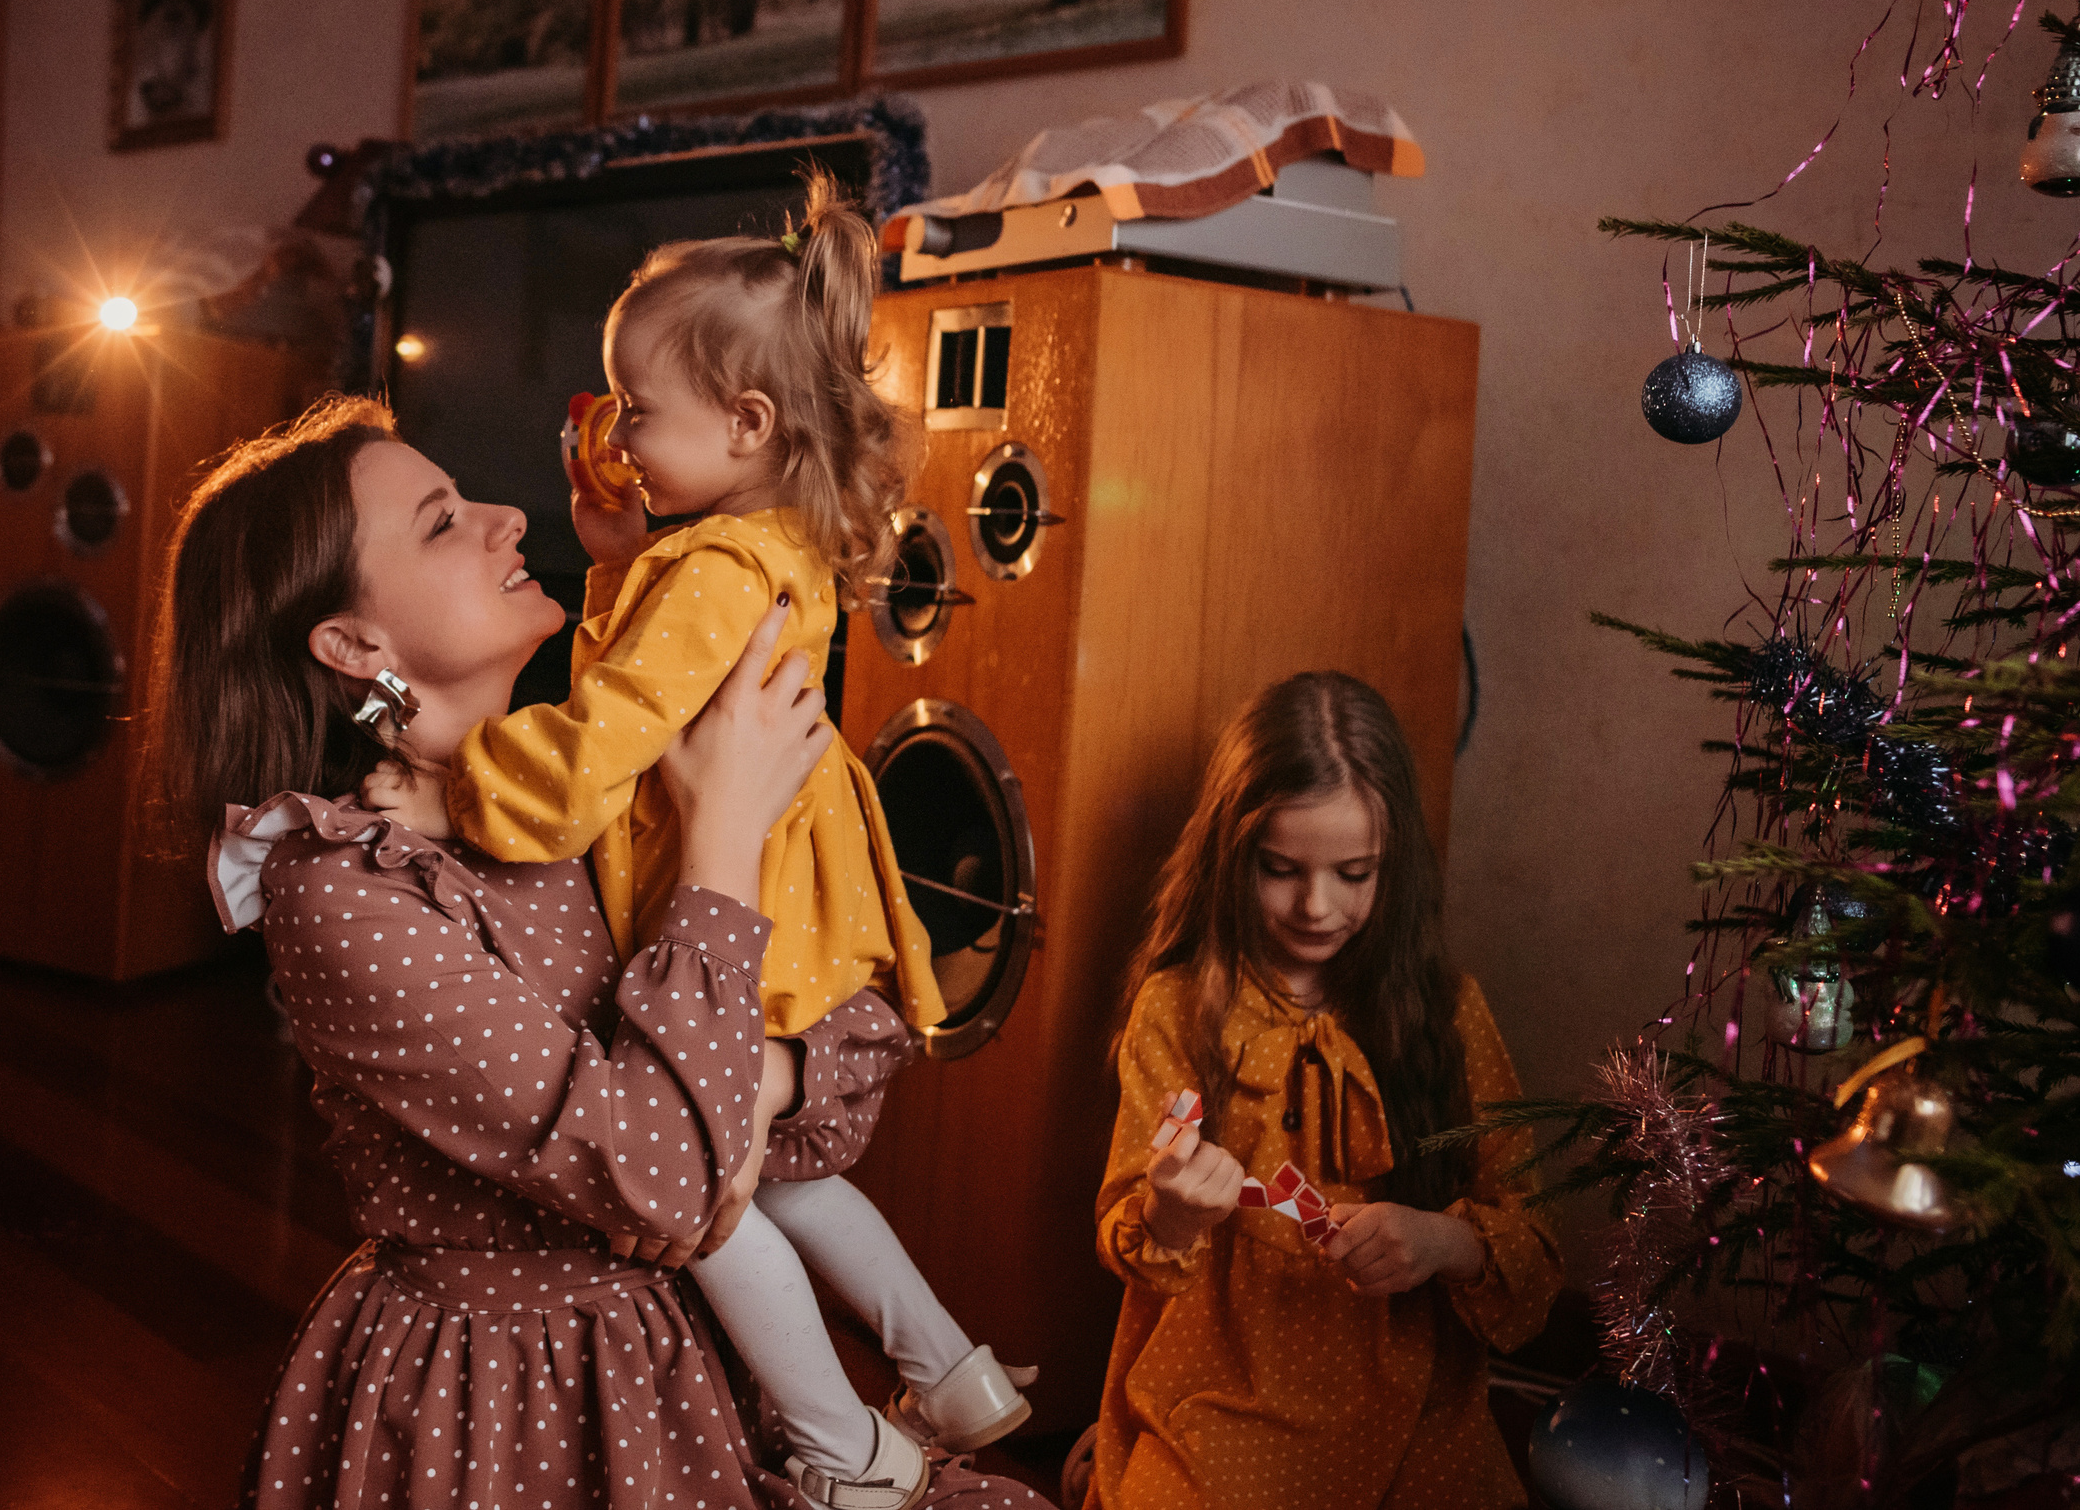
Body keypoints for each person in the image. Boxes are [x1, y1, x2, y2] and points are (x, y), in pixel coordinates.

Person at [151, 397, 1039, 1510]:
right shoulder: (342, 888)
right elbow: (668, 1182)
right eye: (441, 522)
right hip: (503, 1407)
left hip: (698, 1356)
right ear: (354, 645)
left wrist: (758, 1079)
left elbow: (858, 1054)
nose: (509, 517)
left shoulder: (592, 799)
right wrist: (721, 836)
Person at [368, 176, 1029, 1503]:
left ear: (746, 421)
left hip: (749, 918)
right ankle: (951, 1366)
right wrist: (613, 563)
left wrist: (451, 782)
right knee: (788, 1175)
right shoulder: (755, 549)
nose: (613, 432)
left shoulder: (712, 572)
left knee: (710, 1197)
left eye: (639, 409)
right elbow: (660, 692)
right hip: (808, 910)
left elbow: (593, 759)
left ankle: (847, 1444)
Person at [1087, 672, 1562, 1510]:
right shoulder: (1180, 1006)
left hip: (1414, 1408)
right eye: (1280, 869)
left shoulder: (1449, 1013)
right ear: (1232, 856)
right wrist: (1172, 1213)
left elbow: (1533, 1246)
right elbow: (1132, 1238)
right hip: (1219, 1397)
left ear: (1396, 863)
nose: (1316, 906)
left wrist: (1443, 1242)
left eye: (1354, 872)